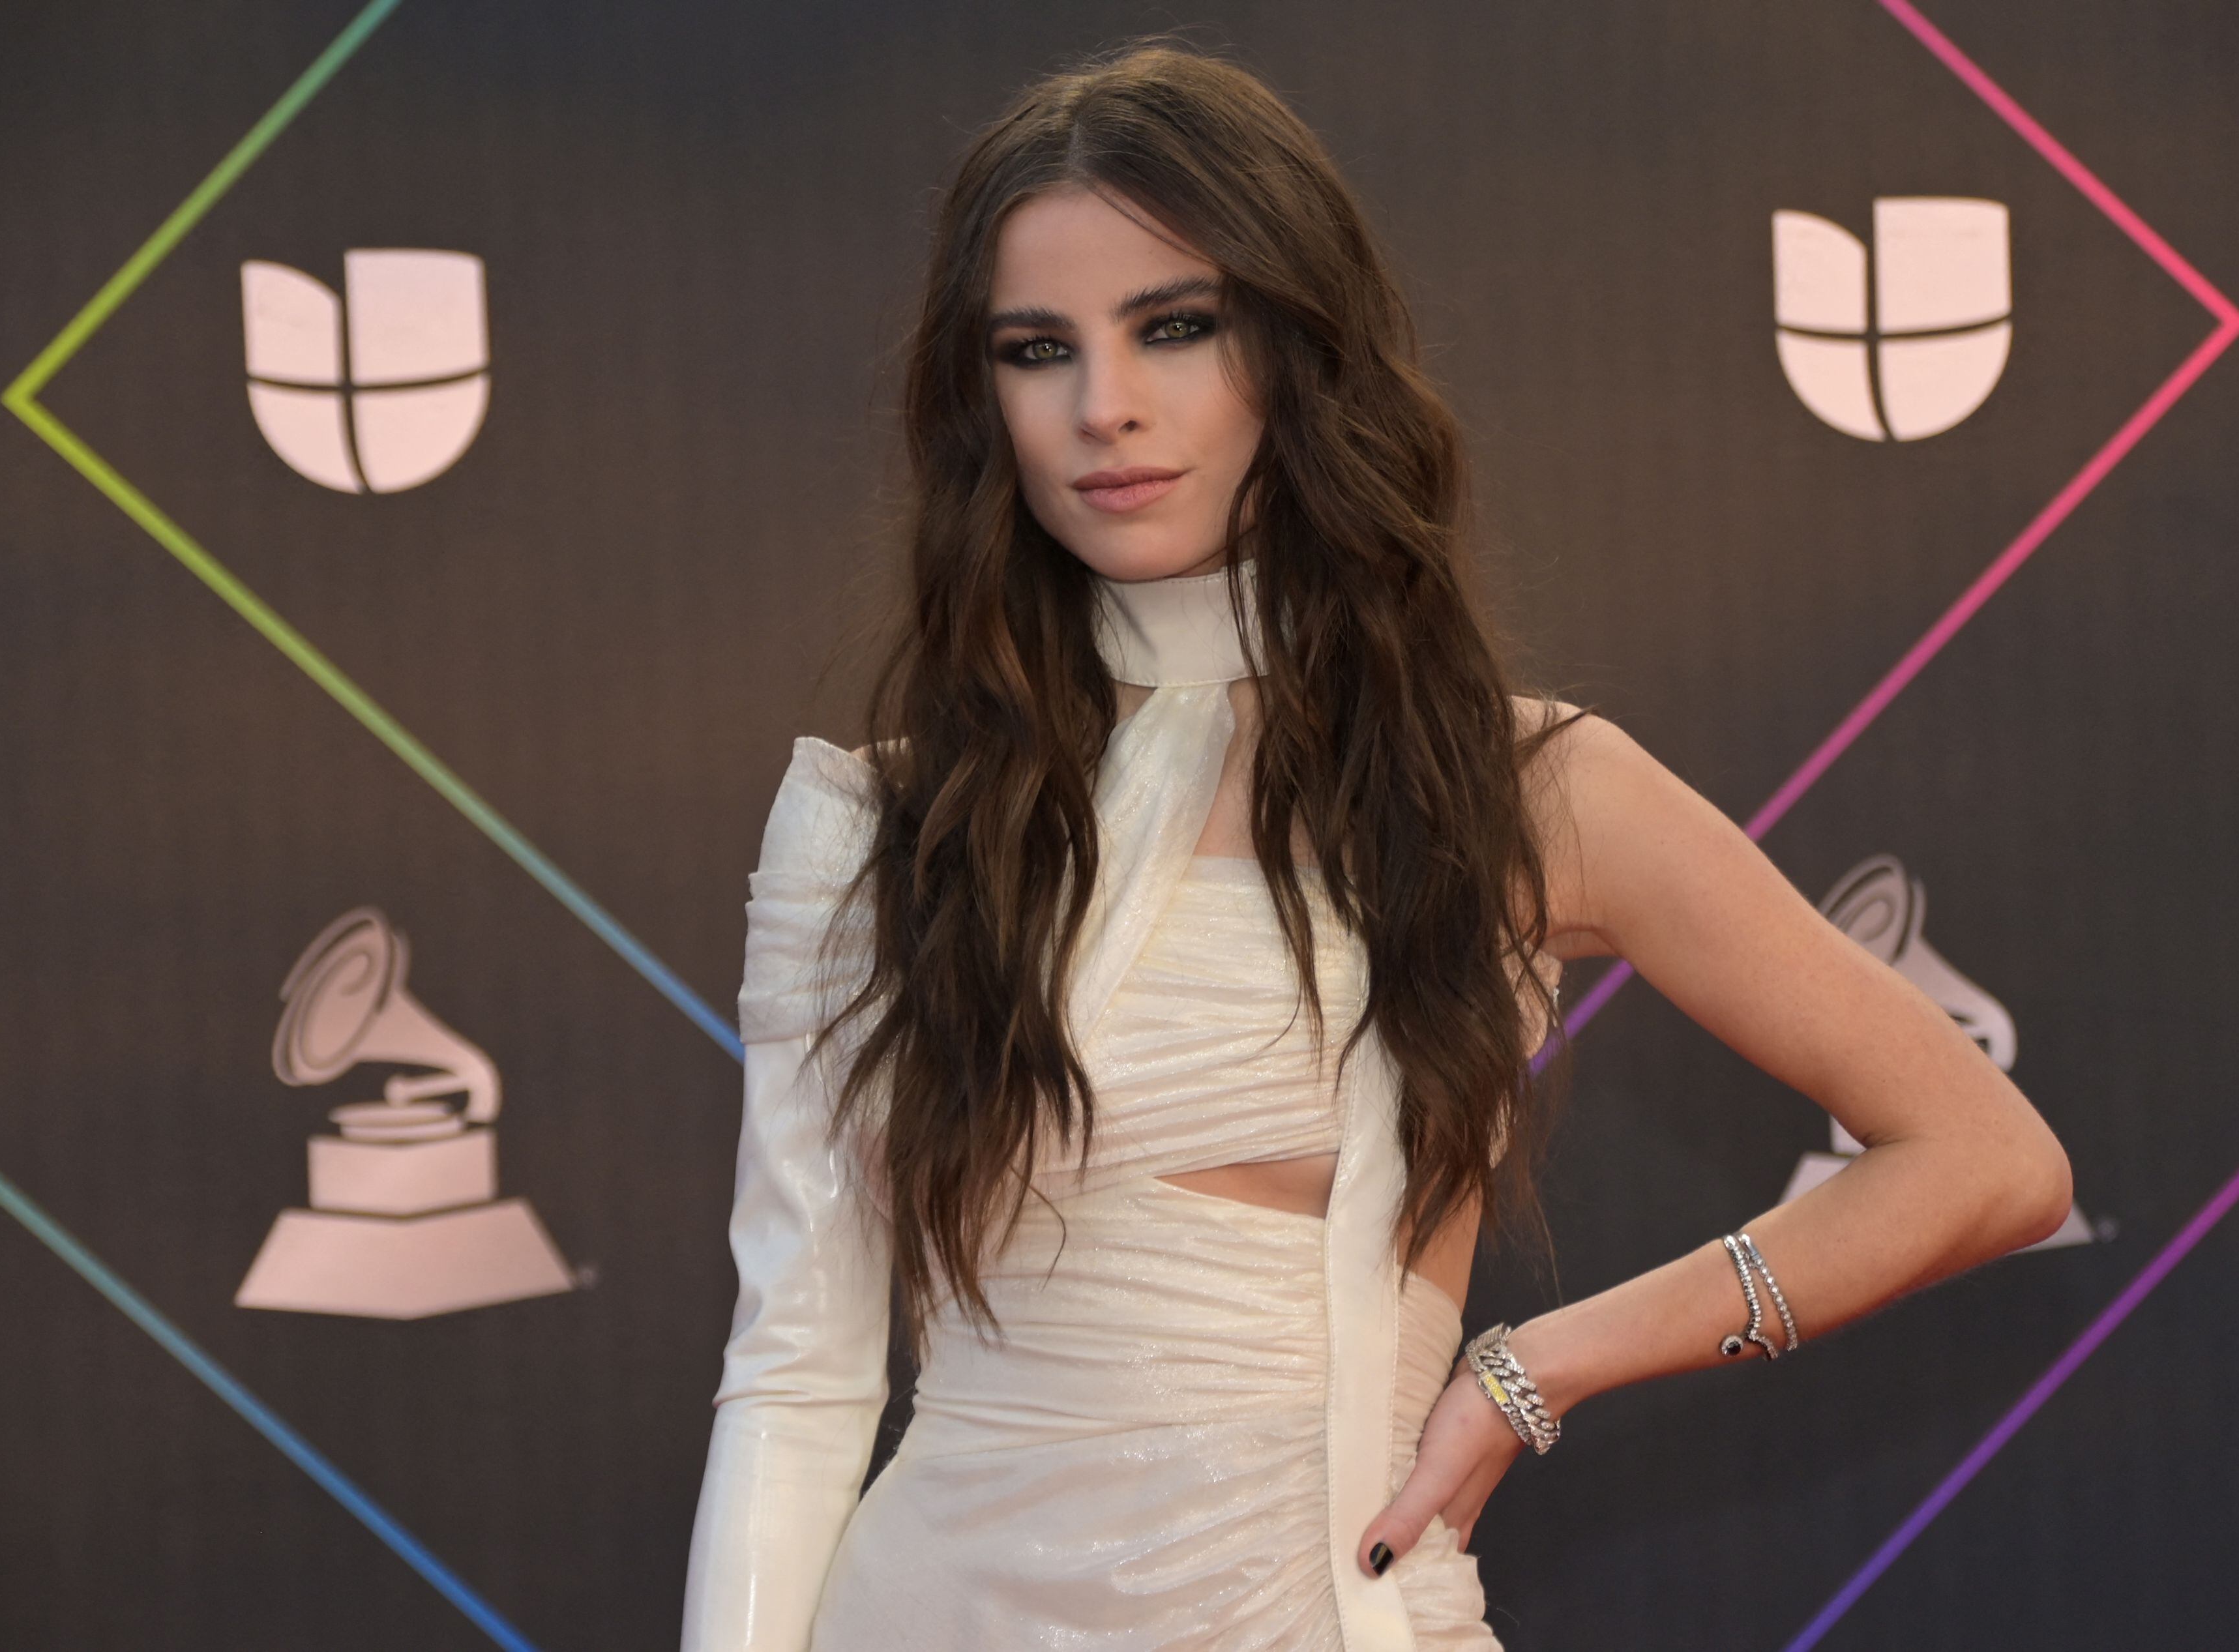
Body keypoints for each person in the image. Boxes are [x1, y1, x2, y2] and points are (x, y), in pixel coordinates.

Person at [681, 37, 2072, 1652]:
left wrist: (1536, 1366)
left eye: (1175, 327)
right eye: (1036, 347)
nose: (1104, 404)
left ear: (1295, 345)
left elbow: (1988, 1158)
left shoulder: (1530, 790)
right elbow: (798, 1371)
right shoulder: (877, 823)